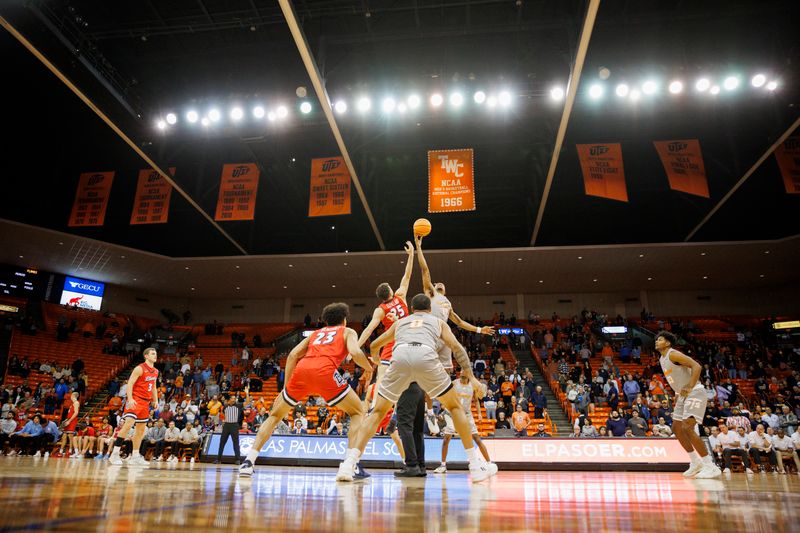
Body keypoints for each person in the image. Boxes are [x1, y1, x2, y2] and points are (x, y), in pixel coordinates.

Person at [336, 293, 496, 483]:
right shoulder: (438, 322)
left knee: (377, 413)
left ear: (412, 309)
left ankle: (348, 465)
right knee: (454, 408)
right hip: (425, 356)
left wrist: (378, 360)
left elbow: (376, 344)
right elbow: (457, 348)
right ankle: (475, 467)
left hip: (400, 356)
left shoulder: (401, 323)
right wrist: (472, 378)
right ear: (429, 309)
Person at [238, 303, 373, 477]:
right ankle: (349, 465)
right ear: (344, 320)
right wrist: (368, 367)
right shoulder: (347, 332)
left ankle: (249, 461)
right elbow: (355, 352)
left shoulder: (315, 334)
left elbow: (293, 355)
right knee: (357, 412)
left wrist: (286, 387)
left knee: (274, 416)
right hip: (325, 371)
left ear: (326, 321)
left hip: (302, 370)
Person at [656, 331, 720, 478]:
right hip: (682, 395)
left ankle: (710, 466)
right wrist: (678, 393)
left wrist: (690, 386)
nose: (656, 342)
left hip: (695, 391)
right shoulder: (662, 358)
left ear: (667, 343)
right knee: (676, 429)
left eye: (660, 340)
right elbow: (677, 378)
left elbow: (696, 366)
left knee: (687, 427)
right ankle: (695, 462)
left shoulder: (673, 354)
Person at [358, 241, 414, 398]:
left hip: (392, 341)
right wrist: (411, 256)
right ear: (390, 290)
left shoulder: (380, 310)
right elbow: (407, 275)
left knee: (381, 377)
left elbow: (369, 329)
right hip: (409, 337)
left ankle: (375, 405)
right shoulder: (400, 295)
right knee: (410, 379)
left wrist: (357, 345)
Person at [108, 347, 160, 467]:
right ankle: (115, 454)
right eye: (153, 353)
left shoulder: (156, 371)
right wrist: (130, 399)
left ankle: (135, 456)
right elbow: (130, 383)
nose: (155, 355)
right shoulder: (139, 368)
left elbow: (153, 387)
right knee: (128, 425)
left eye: (156, 354)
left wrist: (155, 400)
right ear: (146, 356)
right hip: (135, 400)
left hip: (146, 403)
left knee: (140, 430)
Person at [433, 372, 494, 474]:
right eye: (461, 370)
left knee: (477, 438)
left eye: (464, 370)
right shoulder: (454, 383)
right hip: (453, 412)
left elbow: (476, 400)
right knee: (446, 439)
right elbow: (445, 395)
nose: (462, 372)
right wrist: (444, 409)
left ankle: (489, 463)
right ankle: (443, 465)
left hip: (466, 414)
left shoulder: (473, 385)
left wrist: (479, 413)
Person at [216, 389, 249, 465]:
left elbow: (247, 402)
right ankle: (218, 459)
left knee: (236, 443)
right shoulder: (225, 406)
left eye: (235, 399)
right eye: (232, 399)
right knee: (222, 442)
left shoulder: (238, 405)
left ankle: (237, 460)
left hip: (234, 425)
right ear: (229, 400)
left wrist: (247, 393)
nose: (234, 400)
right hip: (227, 425)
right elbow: (223, 415)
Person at [56, 392, 80, 457]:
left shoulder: (76, 403)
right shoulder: (72, 403)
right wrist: (66, 420)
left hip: (72, 421)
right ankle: (60, 451)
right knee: (64, 436)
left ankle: (70, 451)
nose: (70, 397)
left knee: (70, 436)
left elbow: (76, 413)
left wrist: (69, 420)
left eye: (71, 395)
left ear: (73, 396)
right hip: (69, 420)